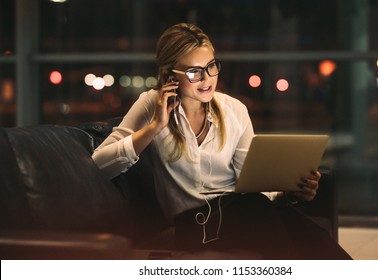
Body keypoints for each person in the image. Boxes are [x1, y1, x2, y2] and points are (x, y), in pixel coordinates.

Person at [92, 22, 352, 260]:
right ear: (170, 75)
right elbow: (100, 165)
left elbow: (252, 182)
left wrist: (290, 194)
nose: (207, 79)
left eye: (211, 66)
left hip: (243, 210)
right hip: (194, 223)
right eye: (194, 72)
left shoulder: (233, 109)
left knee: (308, 234)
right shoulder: (151, 105)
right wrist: (155, 126)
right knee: (263, 213)